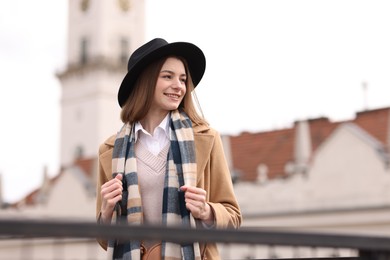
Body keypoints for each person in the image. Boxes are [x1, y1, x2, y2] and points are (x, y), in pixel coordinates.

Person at [96, 38, 242, 260]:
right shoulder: (110, 151)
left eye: (183, 79)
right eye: (168, 76)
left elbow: (233, 218)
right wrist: (106, 213)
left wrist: (207, 211)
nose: (179, 86)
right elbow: (105, 239)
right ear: (145, 81)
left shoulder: (206, 139)